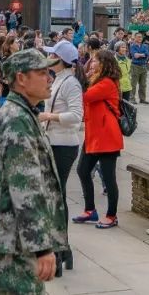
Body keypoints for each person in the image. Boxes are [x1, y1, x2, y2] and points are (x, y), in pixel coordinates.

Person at [0, 49, 68, 293]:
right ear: (21, 79)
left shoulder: (23, 113)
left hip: (14, 236)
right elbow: (25, 186)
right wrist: (41, 247)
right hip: (13, 240)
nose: (49, 78)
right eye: (42, 73)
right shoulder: (16, 118)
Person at [39, 40, 83, 273]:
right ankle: (62, 249)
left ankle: (59, 249)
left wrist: (49, 116)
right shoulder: (58, 80)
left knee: (56, 196)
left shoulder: (71, 83)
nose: (49, 59)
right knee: (55, 196)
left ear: (61, 60)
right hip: (53, 142)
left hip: (64, 145)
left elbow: (77, 115)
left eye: (52, 55)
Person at [72, 49, 123, 229]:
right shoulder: (96, 80)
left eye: (95, 61)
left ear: (104, 64)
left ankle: (111, 215)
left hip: (107, 136)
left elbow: (85, 96)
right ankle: (90, 210)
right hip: (94, 135)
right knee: (82, 170)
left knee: (109, 178)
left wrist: (79, 74)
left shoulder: (107, 83)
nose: (91, 64)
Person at [129, 32, 149, 104]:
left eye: (141, 37)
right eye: (138, 37)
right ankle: (132, 99)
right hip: (135, 66)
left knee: (143, 84)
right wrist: (142, 54)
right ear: (134, 38)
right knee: (133, 83)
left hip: (144, 66)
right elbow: (135, 55)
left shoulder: (145, 46)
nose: (139, 38)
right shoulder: (132, 46)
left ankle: (142, 99)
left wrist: (140, 54)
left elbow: (147, 54)